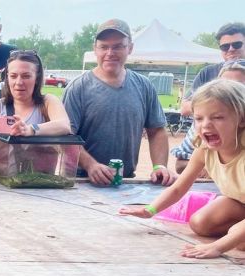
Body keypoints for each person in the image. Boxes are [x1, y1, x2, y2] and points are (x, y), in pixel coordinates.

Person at [120, 79, 245, 259]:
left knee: (239, 241)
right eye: (199, 118)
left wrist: (218, 247)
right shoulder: (204, 149)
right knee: (199, 223)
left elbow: (220, 246)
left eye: (217, 117)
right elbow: (179, 187)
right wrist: (150, 210)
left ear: (241, 119)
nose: (206, 125)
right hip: (239, 202)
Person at [63, 19, 176, 186]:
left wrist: (159, 166)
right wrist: (90, 165)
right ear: (95, 49)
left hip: (125, 180)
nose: (110, 52)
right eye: (104, 46)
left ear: (130, 48)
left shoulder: (144, 86)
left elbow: (157, 130)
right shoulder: (77, 88)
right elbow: (65, 138)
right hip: (81, 181)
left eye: (118, 46)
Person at [0, 50, 71, 157]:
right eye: (13, 76)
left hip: (38, 173)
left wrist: (31, 129)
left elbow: (64, 125)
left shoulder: (48, 102)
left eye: (26, 76)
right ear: (7, 77)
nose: (19, 82)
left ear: (37, 78)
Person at [172, 58, 245, 174]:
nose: (228, 92)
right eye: (222, 85)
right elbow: (180, 165)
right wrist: (217, 171)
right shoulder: (203, 129)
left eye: (237, 86)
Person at [180, 22, 245, 117]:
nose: (231, 49)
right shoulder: (207, 73)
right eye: (225, 46)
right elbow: (185, 108)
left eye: (237, 44)